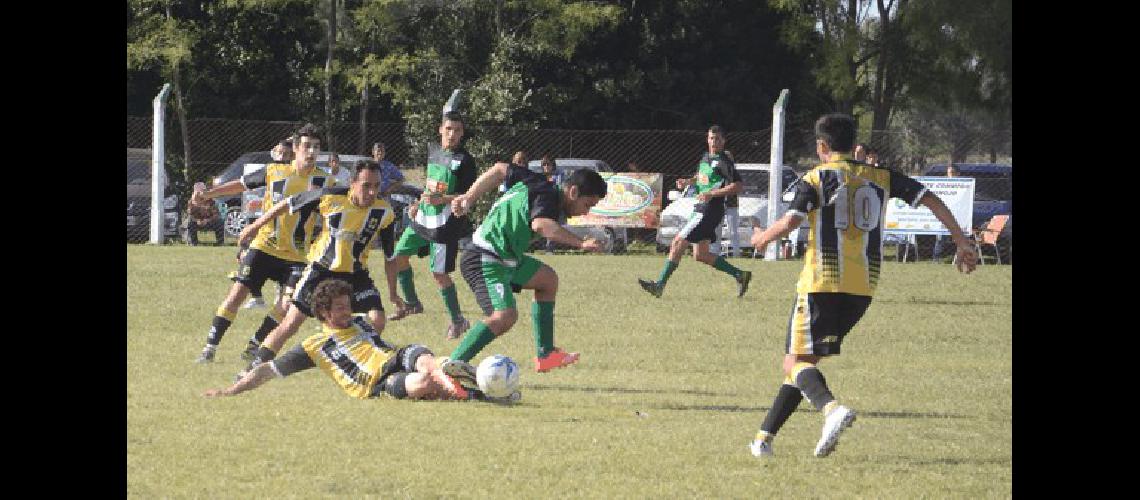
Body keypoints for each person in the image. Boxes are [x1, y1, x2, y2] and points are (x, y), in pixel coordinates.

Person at [745, 113, 978, 459]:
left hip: (821, 281)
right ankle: (764, 439)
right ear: (854, 146)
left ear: (822, 147)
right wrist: (961, 240)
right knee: (806, 361)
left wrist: (762, 238)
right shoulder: (881, 176)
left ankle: (831, 410)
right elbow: (930, 198)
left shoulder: (817, 177)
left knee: (792, 362)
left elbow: (792, 220)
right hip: (863, 288)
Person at [190, 124, 336, 363]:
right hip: (264, 247)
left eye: (316, 147)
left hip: (297, 256)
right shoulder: (274, 172)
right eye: (307, 146)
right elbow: (240, 184)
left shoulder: (325, 181)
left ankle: (256, 344)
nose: (312, 151)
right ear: (296, 148)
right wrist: (208, 194)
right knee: (237, 295)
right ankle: (209, 348)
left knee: (287, 304)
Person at [442, 162, 607, 373]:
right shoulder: (548, 196)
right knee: (504, 317)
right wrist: (581, 243)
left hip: (505, 258)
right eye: (587, 205)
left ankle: (545, 354)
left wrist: (469, 197)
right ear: (573, 191)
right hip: (484, 257)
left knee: (547, 280)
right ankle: (450, 367)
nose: (586, 212)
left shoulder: (537, 181)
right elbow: (542, 225)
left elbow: (500, 169)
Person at [241, 160, 401, 375]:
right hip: (321, 270)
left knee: (377, 320)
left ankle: (352, 363)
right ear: (352, 183)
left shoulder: (385, 212)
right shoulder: (329, 196)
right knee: (290, 323)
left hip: (355, 274)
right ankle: (252, 370)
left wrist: (393, 294)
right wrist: (254, 226)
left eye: (377, 185)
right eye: (366, 185)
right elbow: (288, 203)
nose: (372, 191)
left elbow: (390, 258)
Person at [203, 279, 483, 402]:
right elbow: (267, 371)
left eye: (347, 305)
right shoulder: (314, 347)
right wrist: (230, 391)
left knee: (420, 355)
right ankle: (462, 384)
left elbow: (378, 321)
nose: (347, 312)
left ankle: (447, 371)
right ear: (323, 312)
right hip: (376, 384)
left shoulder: (361, 321)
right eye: (340, 308)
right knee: (423, 383)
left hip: (395, 357)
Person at [387, 112, 478, 341]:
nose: (452, 134)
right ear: (440, 129)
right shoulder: (434, 152)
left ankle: (458, 320)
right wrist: (417, 204)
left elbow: (469, 195)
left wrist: (445, 200)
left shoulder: (465, 161)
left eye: (457, 130)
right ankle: (413, 303)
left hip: (444, 225)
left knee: (438, 273)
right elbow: (430, 185)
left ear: (462, 134)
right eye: (448, 129)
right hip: (422, 218)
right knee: (398, 257)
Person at [638, 125, 752, 298]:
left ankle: (659, 285)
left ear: (723, 141)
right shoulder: (705, 157)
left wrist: (712, 194)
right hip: (701, 209)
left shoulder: (724, 161)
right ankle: (740, 275)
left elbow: (738, 185)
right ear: (707, 139)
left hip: (709, 210)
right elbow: (701, 178)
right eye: (711, 138)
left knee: (677, 243)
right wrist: (688, 182)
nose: (714, 142)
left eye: (718, 139)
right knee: (701, 254)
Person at [538, 155, 561, 254]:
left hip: (554, 205)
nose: (546, 166)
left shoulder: (558, 176)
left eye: (548, 164)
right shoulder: (540, 178)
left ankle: (549, 248)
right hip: (542, 205)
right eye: (544, 164)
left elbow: (559, 189)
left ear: (553, 165)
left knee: (552, 225)